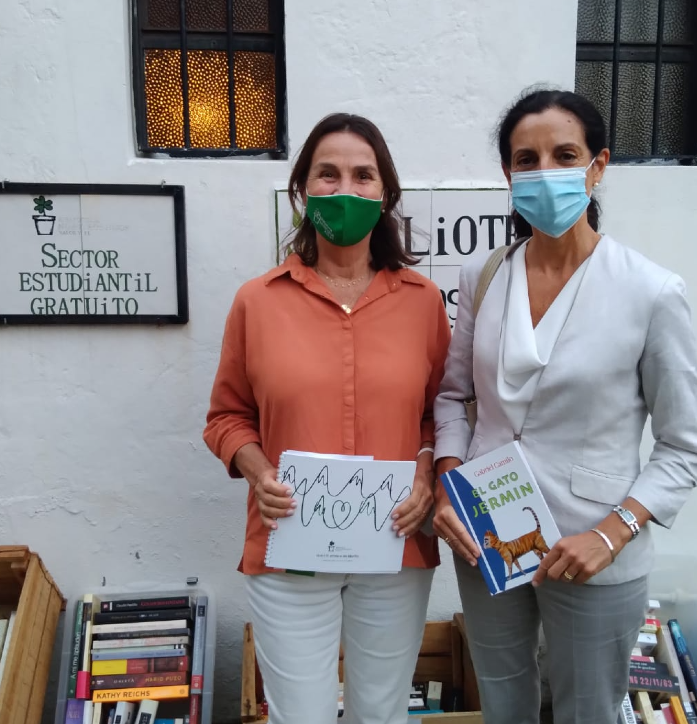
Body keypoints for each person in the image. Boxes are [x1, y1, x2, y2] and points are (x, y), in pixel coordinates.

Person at [432, 88, 697, 724]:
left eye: (565, 154)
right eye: (526, 159)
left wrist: (613, 532)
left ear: (598, 166)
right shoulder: (486, 275)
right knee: (502, 698)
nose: (544, 171)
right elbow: (453, 396)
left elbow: (683, 446)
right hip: (489, 535)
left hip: (592, 548)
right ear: (508, 174)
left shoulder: (651, 292)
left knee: (588, 709)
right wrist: (449, 483)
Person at [203, 113, 451, 724]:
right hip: (290, 547)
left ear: (385, 194)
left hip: (394, 546)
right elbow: (226, 416)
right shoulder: (257, 302)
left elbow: (440, 413)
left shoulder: (422, 304)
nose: (346, 188)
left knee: (382, 713)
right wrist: (257, 469)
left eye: (364, 175)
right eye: (328, 173)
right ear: (302, 191)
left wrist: (427, 474)